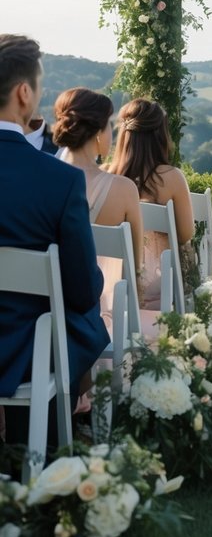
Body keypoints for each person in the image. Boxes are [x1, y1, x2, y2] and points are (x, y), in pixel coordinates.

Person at [0, 35, 108, 432]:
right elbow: (82, 290)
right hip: (30, 352)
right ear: (24, 93)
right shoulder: (60, 180)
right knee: (87, 316)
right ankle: (60, 434)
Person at [52, 88, 144, 321]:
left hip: (45, 314)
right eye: (109, 125)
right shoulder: (124, 190)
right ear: (98, 133)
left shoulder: (41, 180)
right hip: (100, 318)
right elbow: (135, 265)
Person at [109, 98, 195, 308]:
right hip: (159, 285)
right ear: (160, 135)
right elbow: (185, 235)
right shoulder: (172, 178)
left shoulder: (105, 177)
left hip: (112, 283)